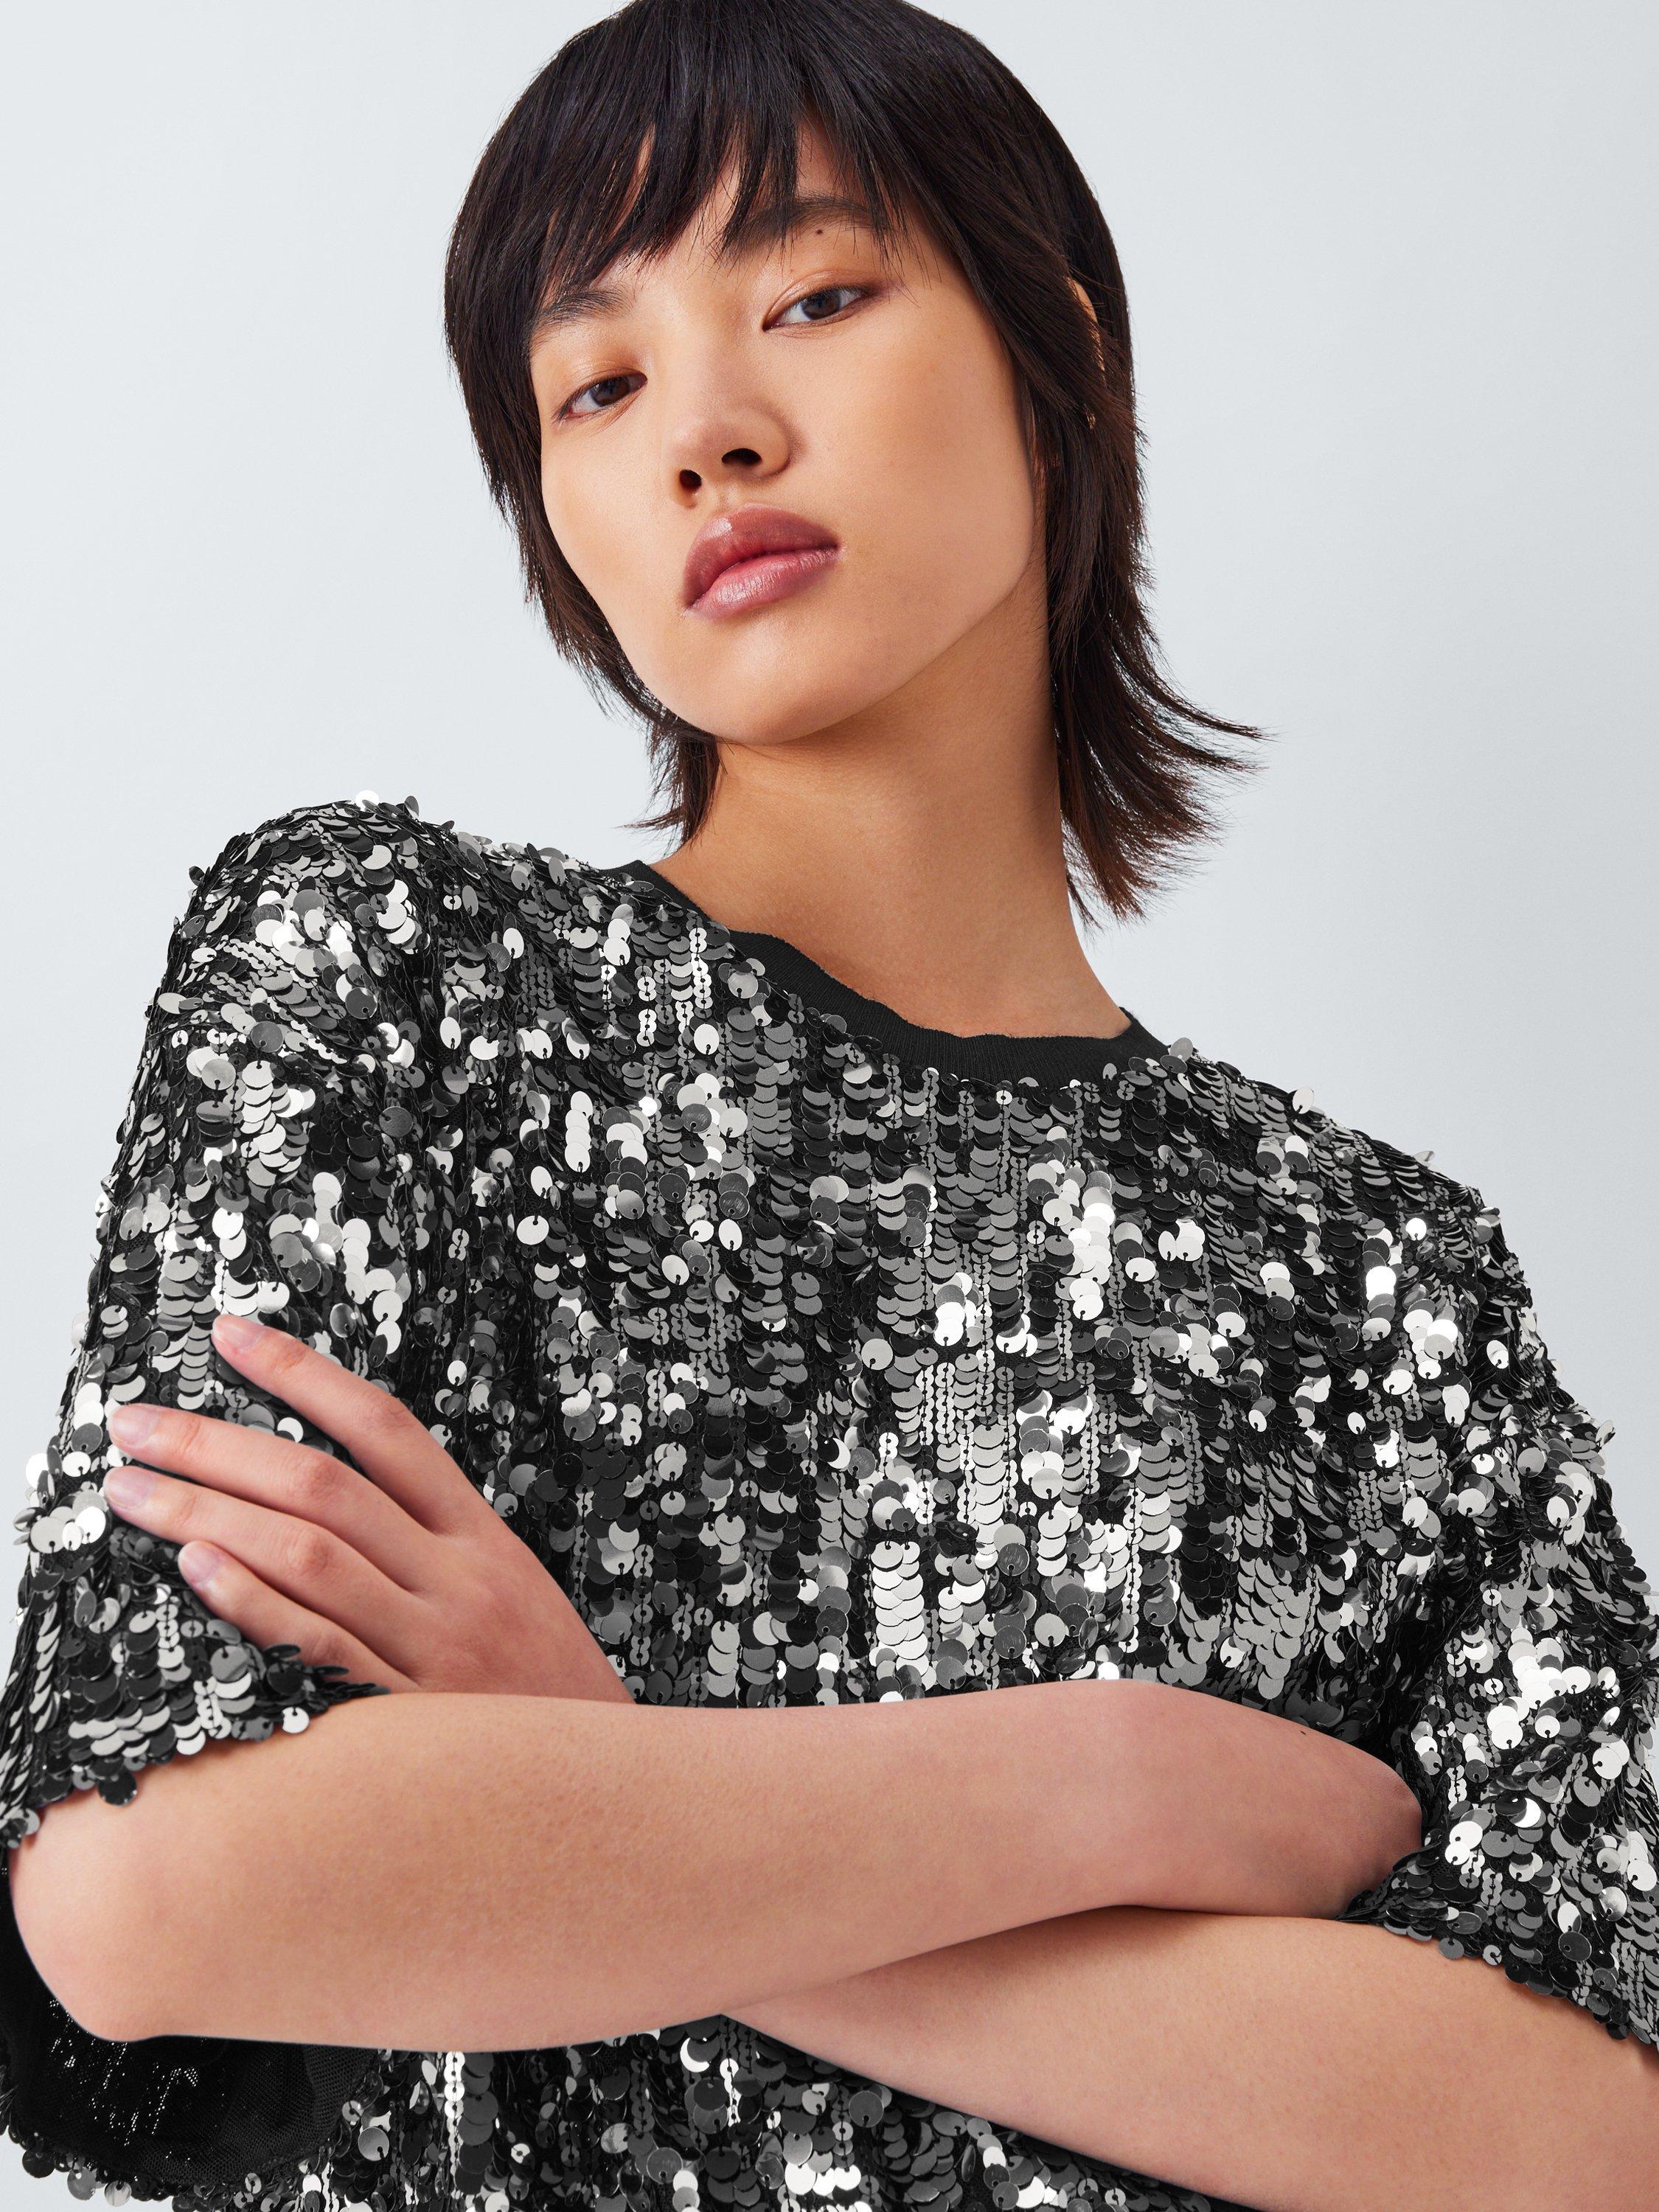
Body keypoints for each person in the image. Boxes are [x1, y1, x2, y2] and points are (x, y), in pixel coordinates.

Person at [3, 3, 1656, 2208]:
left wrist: (590, 1780)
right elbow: (155, 1890)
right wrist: (1108, 1784)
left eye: (811, 298)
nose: (707, 431)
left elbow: (1581, 2130)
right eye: (598, 386)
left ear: (1060, 355)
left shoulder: (1377, 1279)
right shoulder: (386, 975)